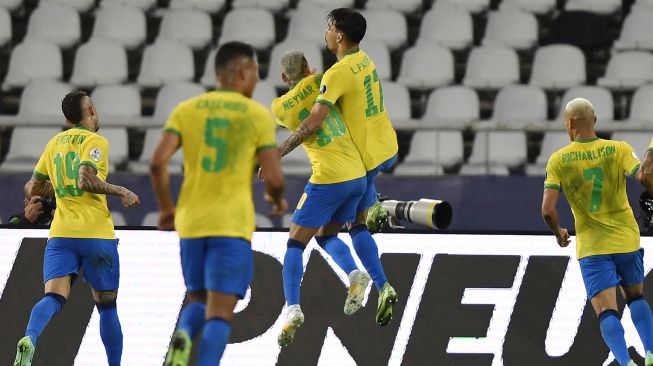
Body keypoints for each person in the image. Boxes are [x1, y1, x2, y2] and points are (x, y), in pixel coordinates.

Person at [151, 41, 286, 366]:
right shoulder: (256, 114)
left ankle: (183, 334)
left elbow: (157, 163)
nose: (256, 78)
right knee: (221, 311)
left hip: (191, 222)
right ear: (241, 72)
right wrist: (275, 198)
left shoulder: (187, 109)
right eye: (255, 71)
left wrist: (167, 208)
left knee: (197, 299)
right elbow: (275, 177)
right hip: (231, 225)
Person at [276, 8, 398, 327]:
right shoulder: (364, 60)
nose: (326, 34)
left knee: (331, 232)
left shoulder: (333, 75)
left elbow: (313, 121)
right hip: (383, 144)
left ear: (339, 35)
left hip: (359, 158)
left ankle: (295, 308)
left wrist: (278, 153)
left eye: (329, 28)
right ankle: (380, 281)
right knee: (344, 227)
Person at [14, 90, 140, 366]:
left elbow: (31, 188)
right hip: (95, 235)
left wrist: (59, 188)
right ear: (91, 111)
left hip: (61, 236)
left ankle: (29, 339)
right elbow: (85, 180)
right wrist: (121, 191)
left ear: (67, 118)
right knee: (107, 307)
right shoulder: (96, 141)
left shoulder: (54, 143)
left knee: (53, 297)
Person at [542, 98, 653, 366]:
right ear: (594, 120)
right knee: (636, 297)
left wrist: (558, 231)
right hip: (626, 238)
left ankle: (626, 363)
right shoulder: (619, 149)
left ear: (569, 124)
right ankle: (651, 353)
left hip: (593, 246)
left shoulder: (558, 160)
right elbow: (644, 177)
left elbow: (547, 209)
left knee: (606, 310)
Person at [271, 50, 372, 347]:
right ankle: (355, 274)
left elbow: (300, 115)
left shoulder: (279, 108)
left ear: (283, 78)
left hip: (328, 177)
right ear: (307, 67)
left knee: (294, 242)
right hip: (356, 175)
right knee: (326, 235)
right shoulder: (322, 81)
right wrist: (313, 77)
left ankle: (292, 308)